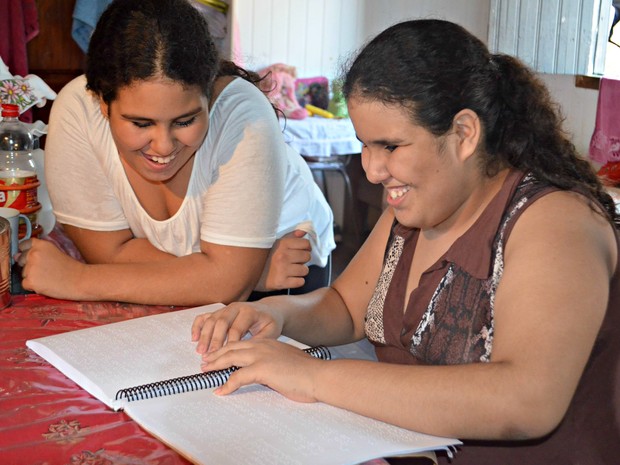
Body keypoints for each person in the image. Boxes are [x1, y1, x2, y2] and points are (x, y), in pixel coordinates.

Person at [191, 19, 620, 464]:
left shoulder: (556, 223)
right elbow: (345, 306)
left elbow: (526, 401)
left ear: (464, 134)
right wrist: (273, 313)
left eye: (391, 147)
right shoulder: (416, 208)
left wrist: (315, 377)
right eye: (365, 146)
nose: (373, 170)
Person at [16, 0, 335, 306]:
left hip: (288, 279)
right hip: (260, 270)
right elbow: (108, 253)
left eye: (185, 120)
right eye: (140, 123)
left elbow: (227, 285)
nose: (164, 146)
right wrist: (240, 273)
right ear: (103, 102)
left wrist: (77, 280)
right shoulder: (78, 111)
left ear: (209, 94)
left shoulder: (243, 114)